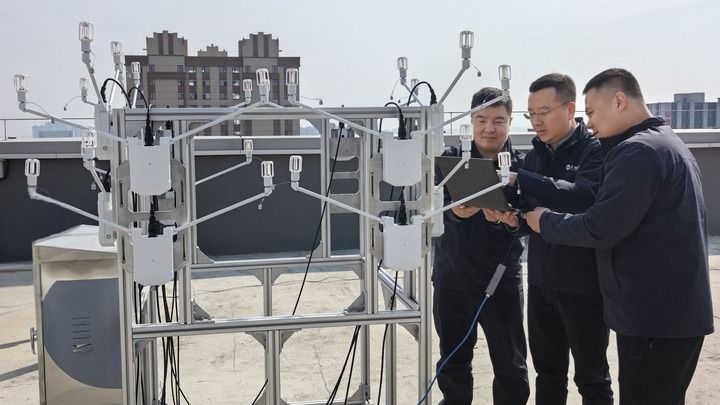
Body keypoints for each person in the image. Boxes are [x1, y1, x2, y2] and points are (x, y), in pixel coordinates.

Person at [524, 68, 714, 405]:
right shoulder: (667, 143)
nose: (590, 124)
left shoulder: (639, 151)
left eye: (592, 112)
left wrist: (545, 221)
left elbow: (601, 226)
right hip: (671, 314)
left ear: (619, 101)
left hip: (654, 317)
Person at [490, 73, 613, 404]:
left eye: (543, 112)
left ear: (570, 109)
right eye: (531, 114)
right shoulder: (535, 154)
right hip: (542, 283)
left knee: (592, 379)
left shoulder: (595, 150)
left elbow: (583, 197)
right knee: (547, 374)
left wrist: (522, 179)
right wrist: (510, 222)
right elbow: (530, 218)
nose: (536, 121)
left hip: (584, 286)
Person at [433, 87, 529, 405]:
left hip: (502, 281)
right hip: (453, 278)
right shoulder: (448, 161)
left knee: (511, 366)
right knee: (453, 364)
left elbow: (531, 221)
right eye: (482, 120)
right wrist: (453, 213)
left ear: (510, 122)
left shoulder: (524, 166)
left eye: (498, 120)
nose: (489, 128)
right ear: (471, 121)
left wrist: (510, 222)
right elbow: (429, 210)